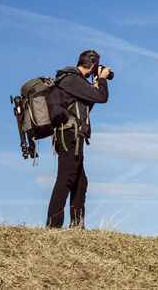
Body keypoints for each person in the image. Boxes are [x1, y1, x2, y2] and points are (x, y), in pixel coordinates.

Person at [46, 49, 110, 228]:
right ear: (92, 66)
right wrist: (103, 80)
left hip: (72, 134)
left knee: (80, 181)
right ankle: (53, 225)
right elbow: (102, 98)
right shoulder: (72, 79)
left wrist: (95, 85)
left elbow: (86, 106)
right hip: (69, 135)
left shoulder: (74, 81)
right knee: (66, 178)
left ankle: (77, 225)